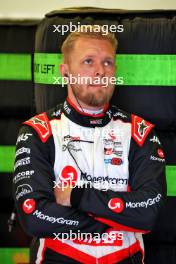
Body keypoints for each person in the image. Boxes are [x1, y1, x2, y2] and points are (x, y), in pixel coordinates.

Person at [13, 26, 166, 264]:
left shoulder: (141, 132)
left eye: (107, 63)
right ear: (66, 72)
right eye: (88, 61)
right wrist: (113, 220)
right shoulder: (37, 132)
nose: (99, 72)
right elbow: (34, 215)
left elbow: (147, 213)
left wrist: (76, 196)